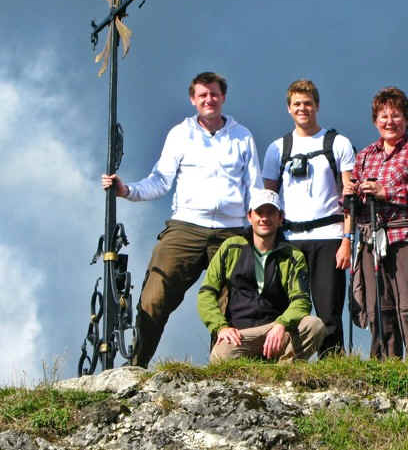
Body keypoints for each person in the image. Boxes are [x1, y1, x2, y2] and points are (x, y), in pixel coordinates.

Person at [101, 71, 261, 368]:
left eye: (214, 94)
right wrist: (127, 190)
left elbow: (254, 188)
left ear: (223, 97)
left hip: (231, 230)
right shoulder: (180, 134)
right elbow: (160, 181)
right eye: (202, 95)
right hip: (186, 226)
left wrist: (260, 226)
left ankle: (224, 371)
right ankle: (137, 364)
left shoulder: (242, 136)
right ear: (193, 99)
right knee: (155, 294)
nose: (209, 100)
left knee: (232, 305)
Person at [344, 86, 408, 359]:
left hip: (407, 237)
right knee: (378, 309)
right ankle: (385, 373)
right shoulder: (364, 156)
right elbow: (352, 204)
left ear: (406, 119)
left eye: (396, 115)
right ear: (375, 121)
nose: (390, 121)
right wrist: (352, 195)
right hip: (371, 240)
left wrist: (386, 192)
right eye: (383, 116)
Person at [262, 79, 355, 356]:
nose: (303, 109)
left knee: (329, 309)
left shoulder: (337, 143)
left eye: (308, 104)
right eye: (297, 104)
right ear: (288, 108)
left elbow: (349, 197)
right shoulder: (278, 148)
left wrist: (347, 240)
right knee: (286, 307)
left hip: (329, 237)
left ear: (317, 106)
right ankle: (287, 363)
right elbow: (268, 201)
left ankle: (332, 365)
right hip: (290, 239)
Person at [197, 189, 325, 363]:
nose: (264, 218)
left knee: (314, 325)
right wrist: (221, 328)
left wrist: (281, 324)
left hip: (276, 330)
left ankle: (284, 370)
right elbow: (206, 293)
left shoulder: (294, 256)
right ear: (250, 216)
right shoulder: (231, 247)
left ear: (280, 218)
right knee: (220, 357)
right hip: (240, 335)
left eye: (271, 213)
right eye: (259, 212)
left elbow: (301, 301)